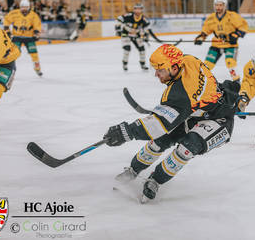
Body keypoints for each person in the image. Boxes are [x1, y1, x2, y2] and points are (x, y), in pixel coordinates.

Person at [103, 44, 240, 203]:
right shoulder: (188, 59)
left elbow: (157, 125)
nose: (156, 74)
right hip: (195, 112)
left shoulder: (180, 93)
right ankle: (134, 169)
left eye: (160, 70)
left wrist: (127, 131)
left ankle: (155, 180)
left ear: (174, 68)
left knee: (187, 148)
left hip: (219, 120)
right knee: (161, 140)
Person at [194, 0, 248, 82]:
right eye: (217, 5)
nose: (218, 7)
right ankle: (201, 81)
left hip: (230, 45)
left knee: (230, 63)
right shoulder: (211, 18)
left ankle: (236, 81)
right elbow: (206, 31)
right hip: (216, 44)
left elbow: (243, 26)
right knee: (208, 64)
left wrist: (236, 35)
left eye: (221, 5)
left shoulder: (232, 16)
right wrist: (201, 38)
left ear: (225, 6)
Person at [3, 0, 42, 76]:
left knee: (34, 53)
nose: (24, 9)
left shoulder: (33, 15)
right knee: (13, 53)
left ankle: (37, 69)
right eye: (22, 7)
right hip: (17, 36)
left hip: (29, 37)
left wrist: (36, 33)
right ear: (20, 7)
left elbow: (37, 24)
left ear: (29, 7)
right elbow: (7, 20)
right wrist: (7, 29)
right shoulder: (14, 13)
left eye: (26, 7)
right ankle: (10, 68)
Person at [115, 3, 150, 71]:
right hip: (126, 34)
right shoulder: (128, 16)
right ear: (134, 10)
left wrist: (145, 35)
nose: (138, 11)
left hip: (136, 35)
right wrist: (118, 29)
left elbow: (146, 28)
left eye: (139, 9)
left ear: (142, 10)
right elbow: (119, 19)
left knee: (142, 49)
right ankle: (125, 63)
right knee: (127, 49)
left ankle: (143, 64)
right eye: (136, 9)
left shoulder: (144, 19)